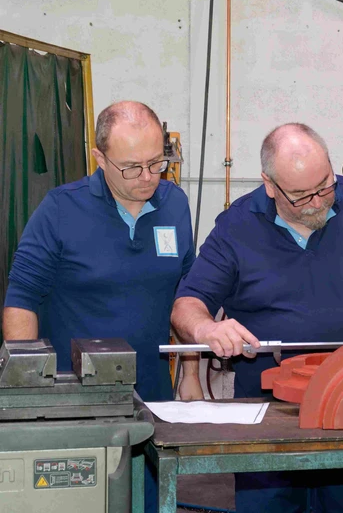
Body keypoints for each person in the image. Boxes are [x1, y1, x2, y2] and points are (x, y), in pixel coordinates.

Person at [171, 122, 343, 513]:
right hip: (268, 418)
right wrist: (207, 327)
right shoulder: (237, 226)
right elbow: (187, 303)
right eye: (300, 195)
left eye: (325, 185)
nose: (317, 201)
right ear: (269, 184)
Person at [2, 101, 202, 402]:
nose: (147, 177)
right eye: (132, 167)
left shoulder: (175, 205)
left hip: (153, 393)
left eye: (156, 163)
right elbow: (21, 301)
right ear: (101, 159)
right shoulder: (60, 209)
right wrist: (28, 390)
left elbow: (187, 299)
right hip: (72, 395)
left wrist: (191, 375)